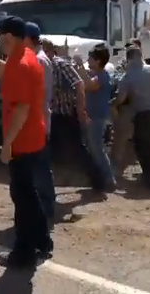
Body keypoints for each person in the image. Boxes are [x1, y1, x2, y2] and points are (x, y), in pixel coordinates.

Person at [0, 16, 52, 269]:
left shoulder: (20, 64)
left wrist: (6, 144)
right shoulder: (26, 57)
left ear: (8, 36)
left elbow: (21, 109)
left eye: (0, 35)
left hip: (22, 141)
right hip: (34, 137)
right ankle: (43, 242)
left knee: (22, 200)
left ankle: (24, 254)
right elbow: (6, 71)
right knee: (31, 195)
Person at [112, 47, 150, 188]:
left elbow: (121, 97)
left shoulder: (128, 75)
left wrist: (113, 104)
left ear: (128, 59)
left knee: (142, 145)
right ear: (141, 56)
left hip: (143, 113)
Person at [47, 39, 102, 191]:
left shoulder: (61, 65)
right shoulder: (42, 65)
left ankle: (98, 181)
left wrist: (81, 111)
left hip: (65, 113)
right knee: (50, 150)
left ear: (51, 51)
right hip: (51, 113)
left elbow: (79, 85)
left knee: (78, 149)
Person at [23, 23, 56, 222]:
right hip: (37, 120)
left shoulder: (38, 61)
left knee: (40, 169)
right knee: (38, 169)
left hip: (37, 122)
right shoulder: (39, 59)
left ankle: (46, 210)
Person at [74, 44, 116, 191]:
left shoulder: (102, 76)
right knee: (92, 148)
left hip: (97, 116)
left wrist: (79, 66)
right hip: (92, 116)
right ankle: (100, 178)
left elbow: (89, 86)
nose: (88, 60)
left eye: (91, 58)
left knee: (97, 148)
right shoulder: (96, 74)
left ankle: (108, 179)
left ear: (98, 61)